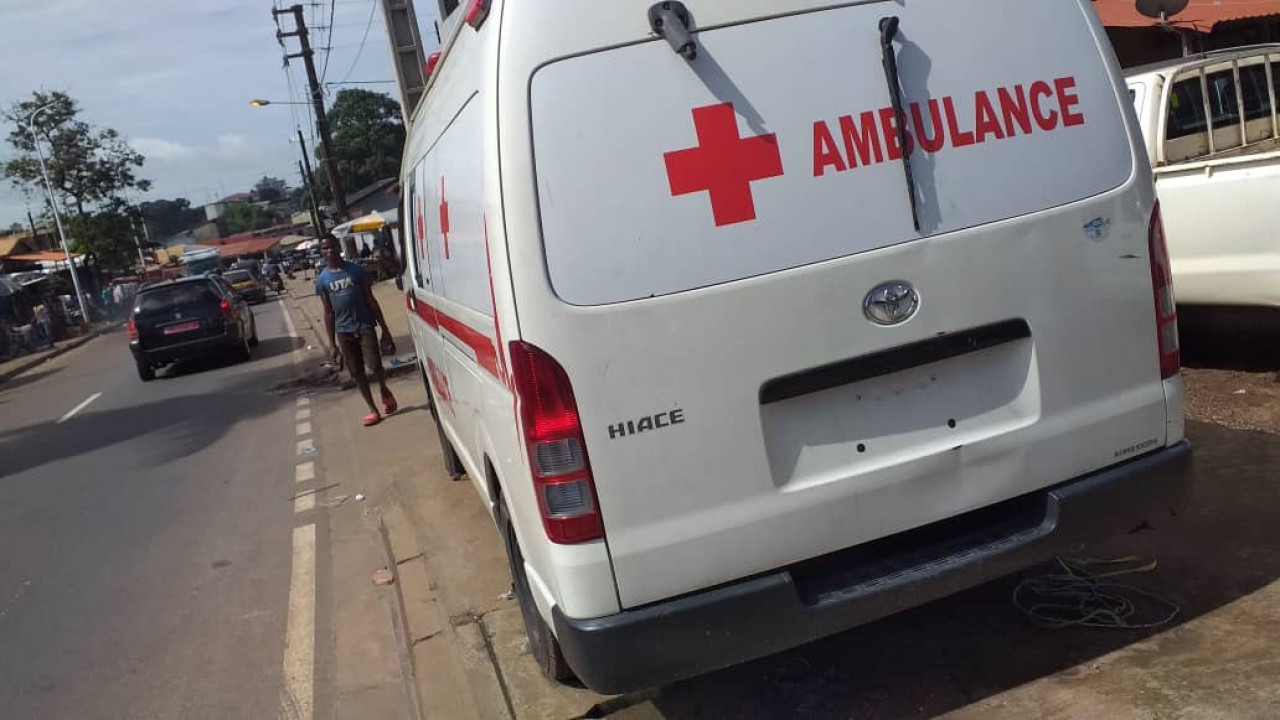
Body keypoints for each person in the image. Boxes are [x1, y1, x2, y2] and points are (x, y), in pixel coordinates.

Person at [316, 234, 398, 426]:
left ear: (338, 247)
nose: (329, 251)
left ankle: (384, 391)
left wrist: (385, 329)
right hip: (343, 332)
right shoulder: (322, 280)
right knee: (356, 372)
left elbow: (371, 300)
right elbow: (328, 313)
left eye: (332, 247)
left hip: (364, 325)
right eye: (325, 249)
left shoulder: (356, 271)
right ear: (321, 252)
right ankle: (372, 408)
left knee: (375, 365)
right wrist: (332, 345)